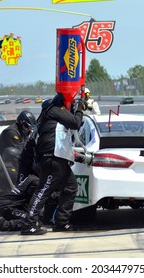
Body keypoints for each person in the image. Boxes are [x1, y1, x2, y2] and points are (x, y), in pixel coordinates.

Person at [20, 92, 86, 235]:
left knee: (70, 187)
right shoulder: (54, 109)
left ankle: (62, 222)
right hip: (52, 157)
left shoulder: (51, 116)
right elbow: (75, 122)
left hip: (58, 157)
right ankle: (28, 224)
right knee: (43, 190)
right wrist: (80, 109)